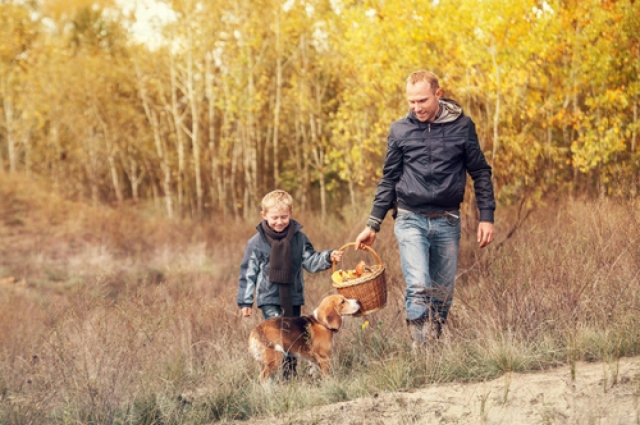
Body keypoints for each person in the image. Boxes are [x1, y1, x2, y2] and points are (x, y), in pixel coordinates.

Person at [355, 70, 495, 347]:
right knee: (418, 286)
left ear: (438, 94)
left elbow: (480, 171)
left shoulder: (463, 127)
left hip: (448, 220)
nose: (416, 107)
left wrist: (486, 217)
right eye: (411, 102)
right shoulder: (400, 130)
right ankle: (422, 351)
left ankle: (435, 341)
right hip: (409, 219)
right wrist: (373, 224)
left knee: (442, 293)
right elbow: (389, 179)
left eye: (422, 101)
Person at [237, 189, 343, 378]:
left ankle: (290, 376)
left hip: (293, 297)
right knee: (279, 336)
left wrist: (328, 257)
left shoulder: (299, 238)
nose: (280, 222)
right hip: (269, 298)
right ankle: (273, 375)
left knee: (294, 338)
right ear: (264, 215)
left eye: (284, 217)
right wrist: (245, 302)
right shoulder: (257, 242)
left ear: (291, 213)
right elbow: (248, 272)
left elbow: (311, 261)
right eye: (275, 217)